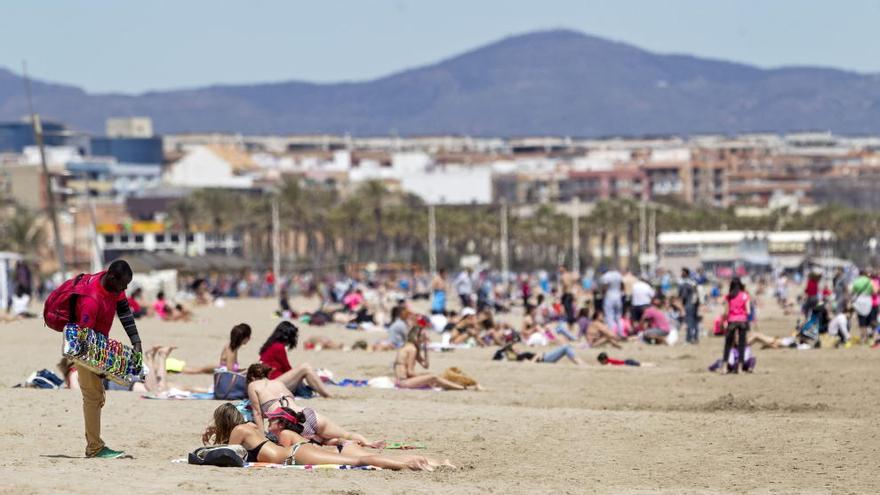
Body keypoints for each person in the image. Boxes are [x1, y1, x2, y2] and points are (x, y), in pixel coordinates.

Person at [203, 403, 444, 470]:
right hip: (295, 453)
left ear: (225, 422)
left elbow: (230, 455)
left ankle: (410, 465)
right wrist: (214, 431)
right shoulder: (250, 428)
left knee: (361, 461)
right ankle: (429, 461)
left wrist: (212, 439)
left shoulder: (239, 431)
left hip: (294, 456)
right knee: (362, 459)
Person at [68, 259, 143, 458]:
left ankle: (94, 444)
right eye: (123, 284)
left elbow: (124, 311)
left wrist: (136, 341)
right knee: (92, 397)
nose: (125, 288)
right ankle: (94, 448)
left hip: (98, 345)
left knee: (98, 396)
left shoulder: (112, 285)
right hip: (85, 349)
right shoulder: (91, 300)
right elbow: (85, 339)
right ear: (111, 278)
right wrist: (100, 366)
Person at [246, 363, 339, 432]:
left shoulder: (253, 385)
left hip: (286, 422)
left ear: (253, 378)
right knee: (345, 436)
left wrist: (262, 436)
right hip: (306, 414)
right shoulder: (279, 383)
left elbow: (257, 413)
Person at [257, 321, 332, 398]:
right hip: (273, 385)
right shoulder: (278, 347)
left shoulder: (270, 345)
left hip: (269, 384)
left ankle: (320, 392)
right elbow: (287, 369)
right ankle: (327, 394)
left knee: (304, 370)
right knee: (305, 367)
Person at [394, 327, 476, 390]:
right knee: (433, 377)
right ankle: (463, 388)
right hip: (403, 382)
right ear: (417, 337)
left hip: (400, 381)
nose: (425, 339)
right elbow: (410, 372)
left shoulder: (409, 347)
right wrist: (426, 377)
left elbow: (425, 365)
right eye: (423, 337)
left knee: (432, 376)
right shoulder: (412, 349)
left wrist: (425, 349)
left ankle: (460, 386)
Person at [720, 277, 751, 373]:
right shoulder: (745, 296)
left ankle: (724, 367)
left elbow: (726, 312)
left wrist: (722, 321)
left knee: (728, 345)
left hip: (731, 321)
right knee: (742, 345)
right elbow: (748, 311)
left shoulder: (728, 297)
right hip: (742, 321)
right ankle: (740, 368)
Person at [678, 268, 700, 344]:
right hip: (695, 304)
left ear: (685, 273)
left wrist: (681, 305)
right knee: (694, 321)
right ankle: (695, 337)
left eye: (682, 272)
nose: (681, 274)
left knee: (689, 321)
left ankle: (689, 339)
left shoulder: (685, 283)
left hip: (689, 304)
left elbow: (683, 296)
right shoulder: (693, 282)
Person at [599, 268, 624, 335]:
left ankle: (612, 333)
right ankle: (620, 333)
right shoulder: (618, 275)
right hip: (618, 297)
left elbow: (605, 286)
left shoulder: (606, 276)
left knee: (609, 316)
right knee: (618, 317)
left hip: (609, 297)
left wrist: (602, 294)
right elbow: (622, 285)